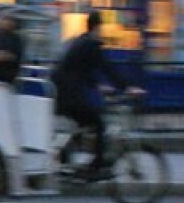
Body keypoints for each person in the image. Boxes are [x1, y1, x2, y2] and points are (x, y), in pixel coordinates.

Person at [51, 10, 138, 180]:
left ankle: (67, 160)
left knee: (83, 124)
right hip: (68, 96)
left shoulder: (82, 41)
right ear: (99, 26)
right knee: (98, 123)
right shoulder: (91, 44)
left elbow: (79, 70)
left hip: (62, 93)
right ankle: (95, 166)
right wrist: (128, 87)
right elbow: (107, 67)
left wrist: (99, 85)